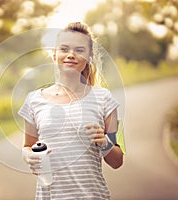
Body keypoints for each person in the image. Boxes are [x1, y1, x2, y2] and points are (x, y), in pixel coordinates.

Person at [18, 22, 123, 200]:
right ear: (54, 54)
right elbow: (28, 146)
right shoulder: (34, 101)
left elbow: (117, 161)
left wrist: (104, 142)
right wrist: (27, 156)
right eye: (64, 49)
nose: (71, 55)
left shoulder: (104, 99)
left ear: (89, 57)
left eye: (79, 50)